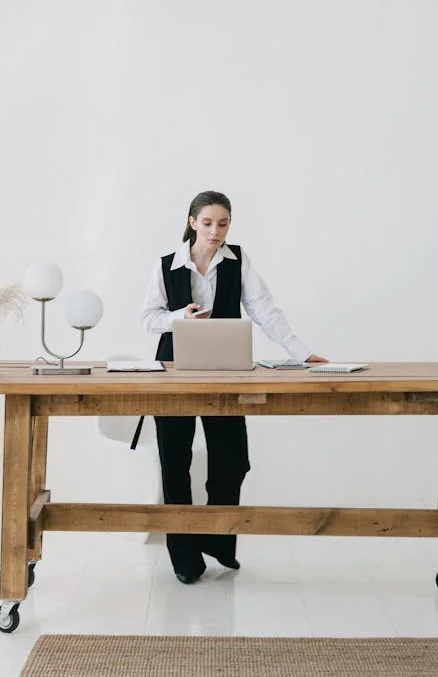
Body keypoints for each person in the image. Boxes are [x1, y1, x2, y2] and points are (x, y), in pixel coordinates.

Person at [140, 190, 327, 584]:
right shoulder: (165, 265)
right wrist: (179, 318)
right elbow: (147, 317)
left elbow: (265, 311)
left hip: (225, 372)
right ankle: (185, 558)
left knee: (232, 460)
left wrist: (302, 353)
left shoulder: (238, 261)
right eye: (207, 223)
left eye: (223, 224)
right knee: (175, 463)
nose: (215, 231)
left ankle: (217, 539)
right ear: (192, 221)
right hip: (173, 371)